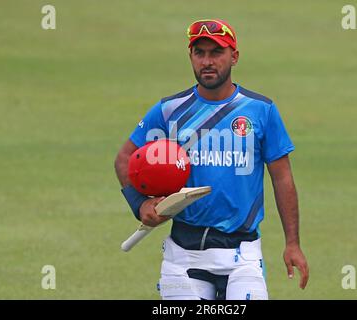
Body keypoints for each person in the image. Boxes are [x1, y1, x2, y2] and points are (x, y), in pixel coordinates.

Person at [115, 19, 309, 300]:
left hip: (242, 255)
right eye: (200, 53)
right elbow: (124, 158)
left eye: (216, 53)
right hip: (183, 255)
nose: (207, 61)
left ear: (234, 56)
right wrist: (140, 203)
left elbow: (282, 177)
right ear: (191, 57)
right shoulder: (169, 111)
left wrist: (293, 243)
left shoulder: (260, 110)